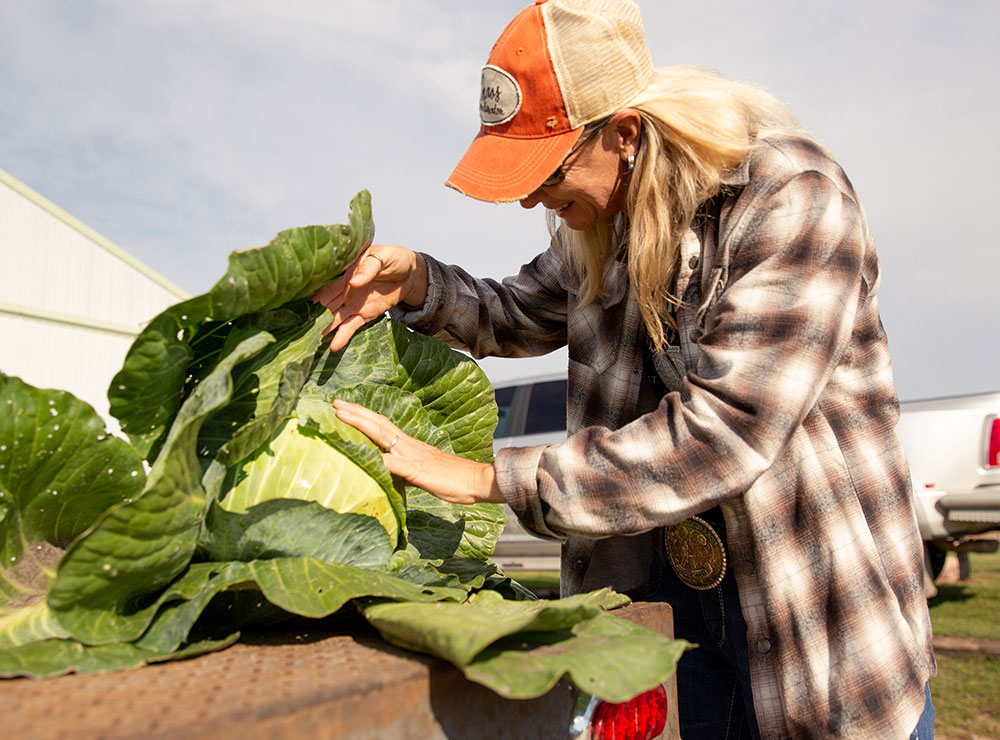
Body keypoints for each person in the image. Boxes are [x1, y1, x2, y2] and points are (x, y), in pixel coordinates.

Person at [314, 1, 936, 737]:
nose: (528, 198)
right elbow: (513, 313)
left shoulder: (791, 198)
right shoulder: (603, 229)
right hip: (678, 596)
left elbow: (728, 432)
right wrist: (417, 279)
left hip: (809, 599)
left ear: (627, 134)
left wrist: (489, 478)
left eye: (544, 171)